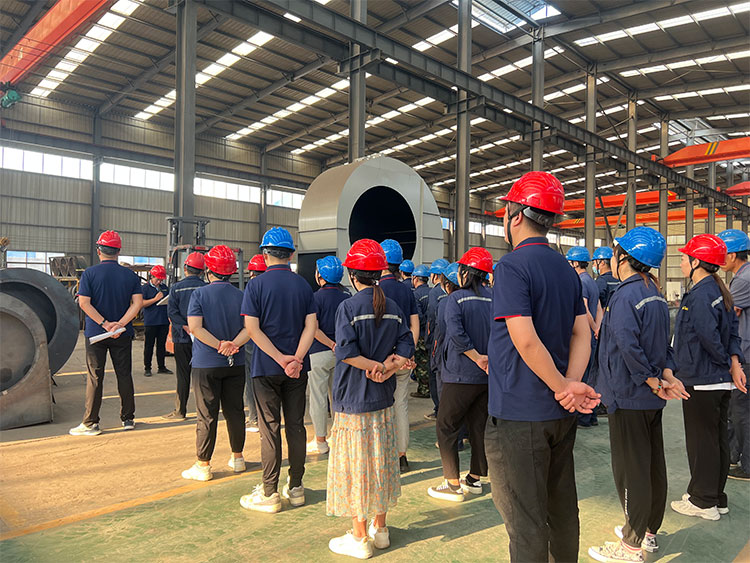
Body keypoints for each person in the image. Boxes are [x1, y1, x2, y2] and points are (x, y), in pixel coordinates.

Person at [486, 171, 600, 562]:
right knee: (561, 507)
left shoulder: (512, 267)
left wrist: (561, 386)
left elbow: (526, 340)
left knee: (526, 520)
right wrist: (570, 385)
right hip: (560, 414)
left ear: (515, 215)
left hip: (522, 413)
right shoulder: (567, 270)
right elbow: (583, 334)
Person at [587, 227, 690, 563]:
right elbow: (664, 345)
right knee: (652, 465)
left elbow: (628, 346)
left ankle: (631, 546)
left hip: (629, 395)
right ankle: (648, 532)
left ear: (624, 259)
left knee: (631, 471)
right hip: (648, 397)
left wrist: (650, 379)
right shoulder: (655, 294)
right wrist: (665, 376)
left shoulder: (625, 295)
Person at [326, 239, 414, 560]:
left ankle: (360, 536)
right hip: (382, 399)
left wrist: (376, 366)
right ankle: (381, 529)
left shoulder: (348, 307)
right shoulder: (393, 306)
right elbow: (406, 344)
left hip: (353, 401)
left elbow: (346, 353)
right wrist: (387, 368)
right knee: (380, 463)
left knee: (356, 468)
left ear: (352, 274)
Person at [239, 227, 317, 513]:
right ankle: (296, 487)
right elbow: (311, 326)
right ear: (291, 255)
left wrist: (280, 359)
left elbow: (252, 329)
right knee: (295, 426)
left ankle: (270, 492)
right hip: (298, 369)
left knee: (269, 428)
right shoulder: (303, 286)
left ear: (264, 254)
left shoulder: (256, 286)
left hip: (266, 368)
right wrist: (295, 359)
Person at [671, 234, 747, 521]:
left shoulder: (701, 294)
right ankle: (715, 497)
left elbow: (709, 338)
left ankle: (702, 502)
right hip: (717, 380)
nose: (681, 262)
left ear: (696, 263)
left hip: (703, 379)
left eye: (684, 258)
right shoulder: (719, 290)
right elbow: (732, 334)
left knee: (701, 442)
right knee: (716, 440)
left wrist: (726, 362)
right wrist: (732, 363)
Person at [428, 248, 492, 503]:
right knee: (479, 426)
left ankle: (452, 484)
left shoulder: (455, 299)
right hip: (488, 375)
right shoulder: (496, 298)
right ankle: (474, 479)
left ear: (465, 273)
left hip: (460, 374)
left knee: (446, 425)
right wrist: (488, 360)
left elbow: (455, 334)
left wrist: (476, 357)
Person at [181, 245, 248, 481]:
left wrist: (219, 345)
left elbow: (196, 328)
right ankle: (238, 458)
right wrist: (232, 345)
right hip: (235, 362)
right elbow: (250, 328)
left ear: (208, 271)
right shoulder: (242, 296)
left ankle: (203, 465)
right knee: (235, 411)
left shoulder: (199, 295)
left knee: (206, 414)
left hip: (206, 363)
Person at [70, 230, 143, 436]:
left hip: (96, 334)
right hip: (122, 333)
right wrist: (119, 324)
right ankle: (128, 419)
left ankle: (91, 423)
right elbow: (137, 304)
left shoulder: (90, 274)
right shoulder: (130, 275)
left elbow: (84, 303)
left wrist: (104, 324)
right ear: (118, 251)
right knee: (124, 374)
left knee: (95, 377)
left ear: (98, 250)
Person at [379, 239, 420, 473]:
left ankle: (383, 454)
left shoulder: (376, 290)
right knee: (401, 405)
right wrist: (407, 354)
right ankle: (401, 455)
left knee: (381, 407)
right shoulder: (406, 290)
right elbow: (415, 324)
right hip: (404, 359)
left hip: (382, 361)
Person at [307, 255, 350, 455]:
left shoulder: (315, 298)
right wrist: (338, 346)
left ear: (320, 276)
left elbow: (314, 329)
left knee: (318, 397)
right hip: (343, 354)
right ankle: (338, 436)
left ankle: (320, 441)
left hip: (319, 352)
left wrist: (331, 344)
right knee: (338, 397)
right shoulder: (347, 297)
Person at [718, 229, 750, 480]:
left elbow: (728, 312)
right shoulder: (742, 276)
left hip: (746, 355)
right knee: (737, 410)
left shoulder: (743, 280)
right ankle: (732, 455)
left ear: (733, 255)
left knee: (741, 411)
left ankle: (747, 465)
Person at [163, 251, 206, 420]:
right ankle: (204, 412)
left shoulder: (176, 288)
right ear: (202, 271)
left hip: (181, 337)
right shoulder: (206, 288)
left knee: (183, 375)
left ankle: (180, 411)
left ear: (185, 268)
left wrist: (185, 327)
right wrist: (197, 329)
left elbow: (172, 312)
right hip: (203, 338)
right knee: (201, 375)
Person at [567, 246, 604, 429]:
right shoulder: (592, 281)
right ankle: (592, 415)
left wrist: (592, 327)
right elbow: (599, 309)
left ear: (575, 263)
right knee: (591, 375)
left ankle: (583, 417)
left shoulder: (580, 282)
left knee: (581, 375)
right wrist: (598, 327)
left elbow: (585, 309)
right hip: (593, 335)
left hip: (584, 336)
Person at [244, 254, 267, 433]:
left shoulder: (251, 288)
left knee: (252, 381)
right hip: (274, 343)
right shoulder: (274, 286)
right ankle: (268, 417)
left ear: (252, 273)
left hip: (253, 342)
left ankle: (254, 419)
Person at [425, 258, 450, 420]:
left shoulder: (434, 293)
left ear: (436, 275)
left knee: (436, 376)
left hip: (437, 340)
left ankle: (438, 410)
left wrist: (429, 342)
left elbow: (431, 319)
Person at [141, 264, 172, 377]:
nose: (159, 282)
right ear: (151, 277)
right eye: (157, 279)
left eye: (161, 280)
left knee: (161, 345)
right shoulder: (145, 288)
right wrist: (155, 299)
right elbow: (141, 303)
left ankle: (161, 367)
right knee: (149, 345)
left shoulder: (165, 288)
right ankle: (147, 368)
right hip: (151, 321)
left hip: (163, 320)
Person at [411, 264, 431, 399]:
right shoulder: (433, 292)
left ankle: (424, 389)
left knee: (422, 363)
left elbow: (418, 318)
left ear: (416, 278)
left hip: (422, 334)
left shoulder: (416, 295)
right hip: (432, 333)